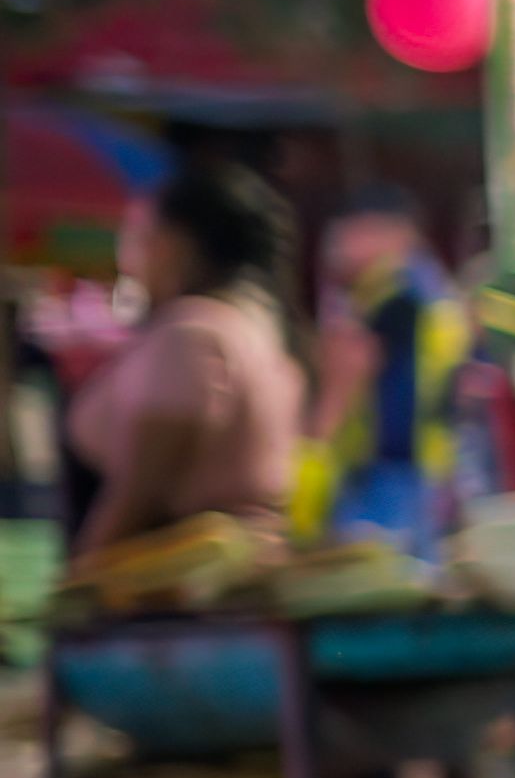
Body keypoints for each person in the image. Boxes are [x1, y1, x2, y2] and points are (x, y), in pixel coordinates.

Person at [67, 156, 306, 552]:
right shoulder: (258, 329)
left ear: (173, 245)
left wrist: (80, 582)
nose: (129, 261)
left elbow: (142, 493)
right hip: (237, 584)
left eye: (140, 238)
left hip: (170, 591)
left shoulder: (191, 333)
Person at [304, 183, 469, 544]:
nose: (335, 247)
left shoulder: (395, 298)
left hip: (390, 490)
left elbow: (350, 393)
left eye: (348, 231)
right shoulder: (433, 291)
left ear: (391, 231)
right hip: (428, 485)